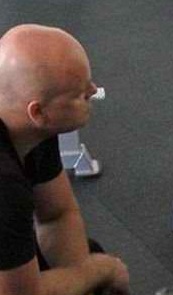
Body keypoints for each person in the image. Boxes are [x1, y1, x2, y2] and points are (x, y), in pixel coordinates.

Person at [0, 24, 130, 295]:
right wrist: (101, 270)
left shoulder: (30, 123)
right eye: (80, 93)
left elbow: (56, 213)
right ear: (38, 112)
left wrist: (86, 279)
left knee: (92, 267)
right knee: (101, 269)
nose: (93, 91)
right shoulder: (6, 186)